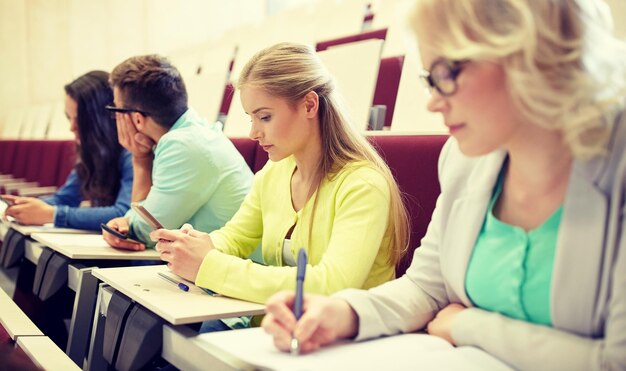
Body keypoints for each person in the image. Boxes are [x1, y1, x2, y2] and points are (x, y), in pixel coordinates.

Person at [261, 1, 626, 369]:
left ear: (525, 53)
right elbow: (426, 288)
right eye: (428, 80)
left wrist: (469, 325)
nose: (433, 102)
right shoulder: (464, 159)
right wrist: (342, 313)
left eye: (445, 73)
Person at [150, 43, 410, 325]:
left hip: (348, 340)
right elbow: (236, 237)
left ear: (309, 105)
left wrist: (209, 265)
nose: (253, 132)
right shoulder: (274, 173)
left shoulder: (363, 185)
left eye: (265, 117)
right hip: (281, 328)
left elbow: (332, 286)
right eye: (251, 118)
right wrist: (195, 244)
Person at [102, 54, 252, 250]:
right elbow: (145, 219)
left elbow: (144, 233)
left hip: (235, 269)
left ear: (137, 119)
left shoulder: (181, 146)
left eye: (117, 111)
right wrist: (126, 221)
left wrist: (140, 159)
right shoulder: (192, 131)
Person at [3, 71, 132, 230]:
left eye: (79, 120)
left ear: (101, 119)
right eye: (68, 118)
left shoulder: (132, 153)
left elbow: (124, 214)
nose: (71, 127)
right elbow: (65, 198)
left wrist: (52, 214)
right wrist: (23, 206)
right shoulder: (92, 151)